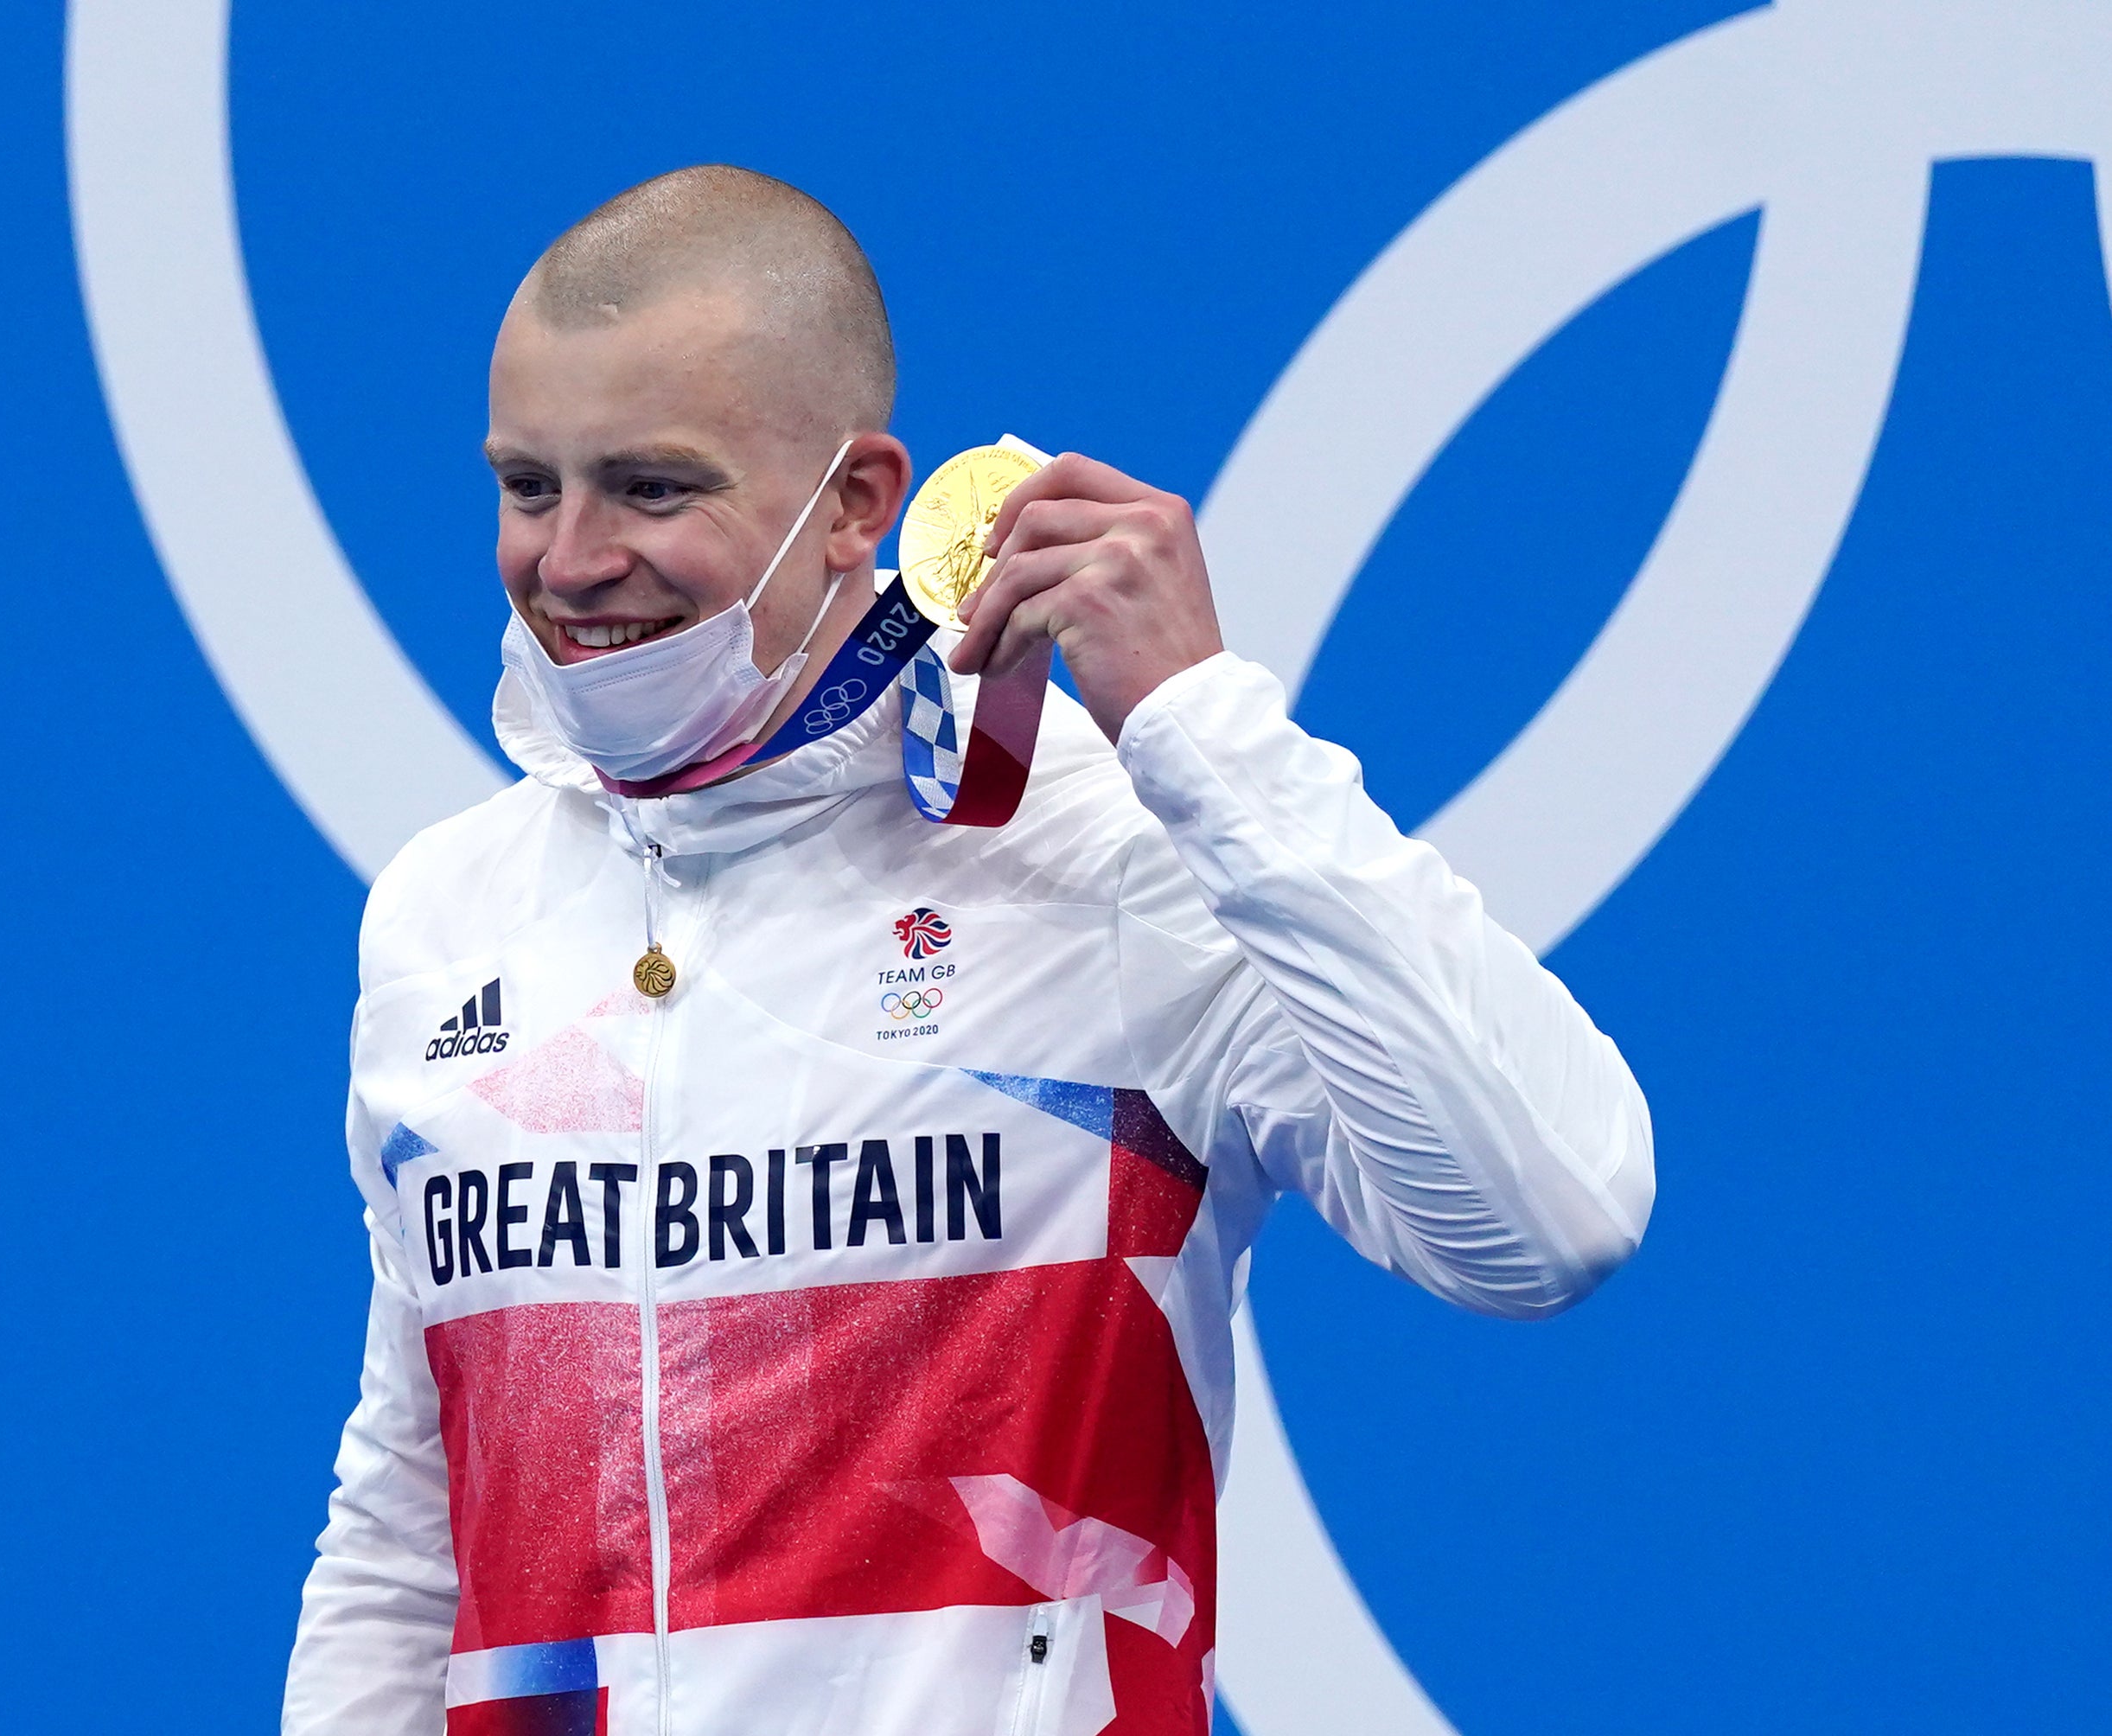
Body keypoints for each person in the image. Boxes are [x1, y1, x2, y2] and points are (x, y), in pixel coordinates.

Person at [282, 165, 1653, 1736]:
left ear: (859, 502)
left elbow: (1551, 1219)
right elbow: (412, 1524)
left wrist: (1202, 732)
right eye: (530, 486)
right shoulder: (450, 910)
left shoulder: (1119, 859)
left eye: (654, 489)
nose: (572, 560)